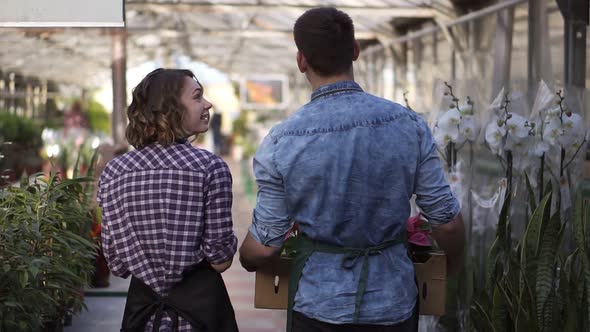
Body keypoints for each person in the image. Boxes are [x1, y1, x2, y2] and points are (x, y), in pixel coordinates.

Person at [239, 7, 465, 332]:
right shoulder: (409, 125)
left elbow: (264, 245)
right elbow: (448, 224)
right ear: (356, 51)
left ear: (301, 60)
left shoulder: (282, 140)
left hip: (317, 306)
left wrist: (246, 259)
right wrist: (450, 269)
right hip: (394, 304)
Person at [97, 68, 238, 332]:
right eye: (197, 97)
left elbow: (116, 263)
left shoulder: (114, 173)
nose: (208, 104)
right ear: (170, 108)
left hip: (141, 315)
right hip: (202, 313)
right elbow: (221, 260)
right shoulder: (210, 168)